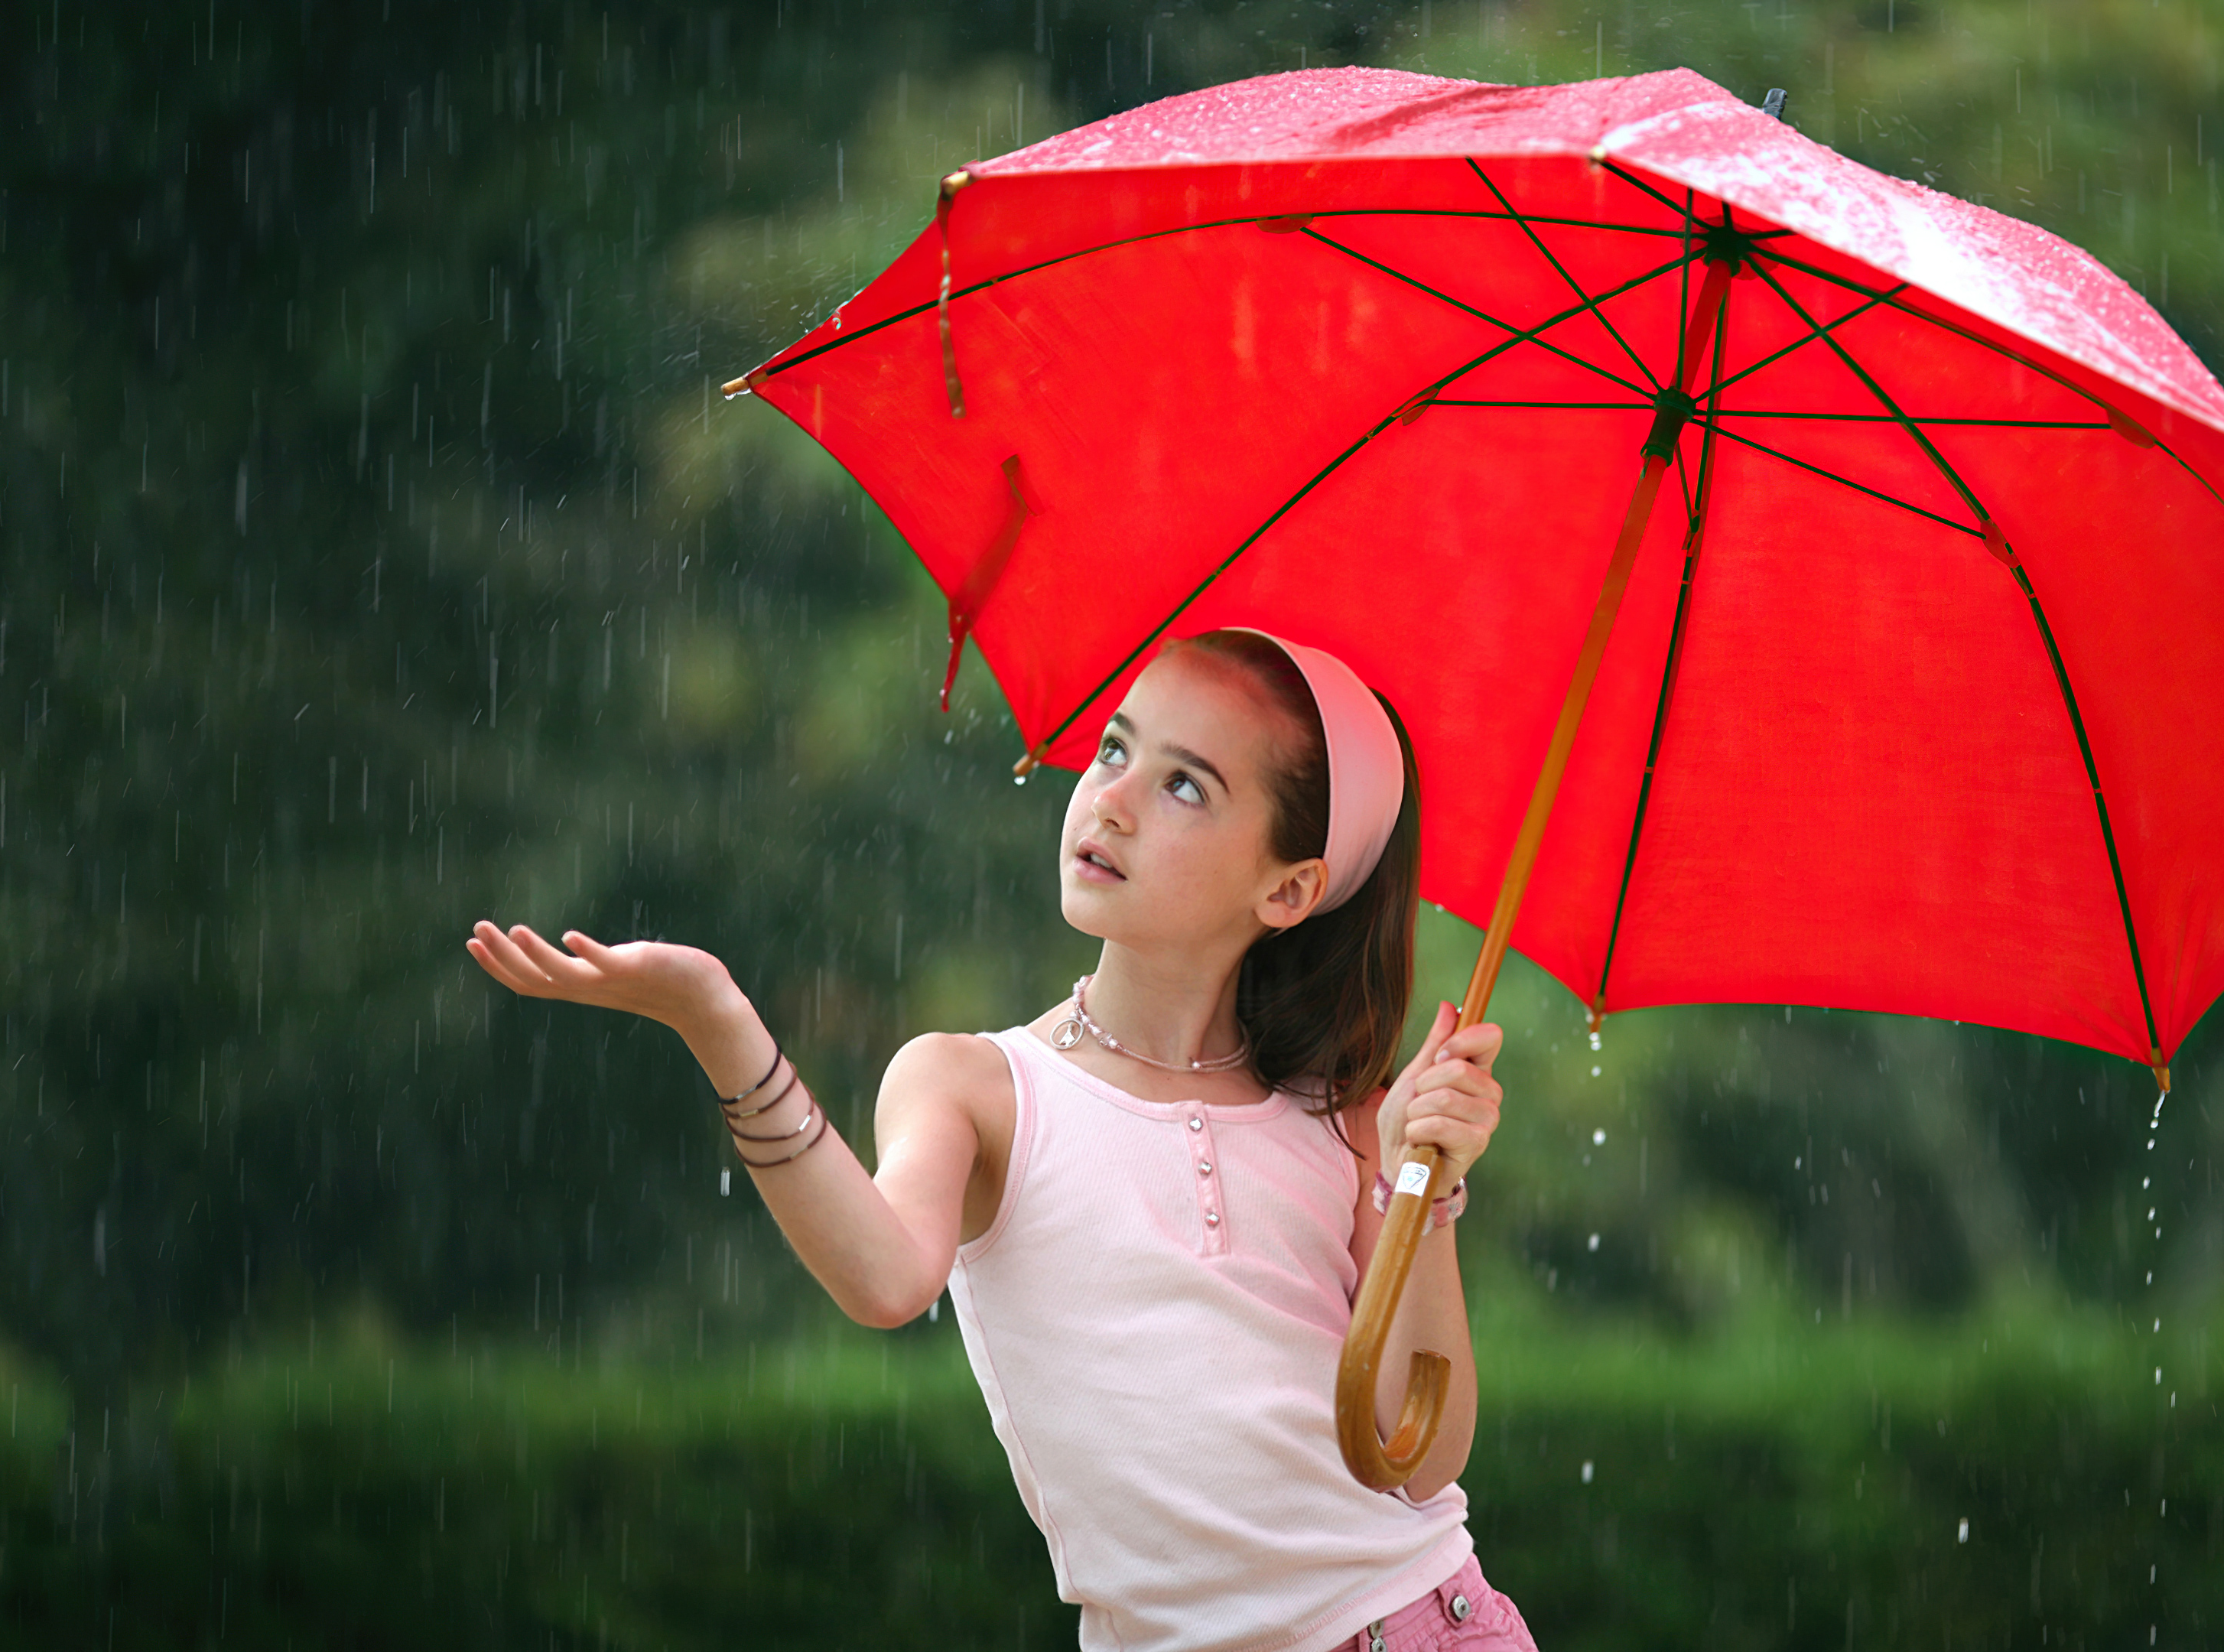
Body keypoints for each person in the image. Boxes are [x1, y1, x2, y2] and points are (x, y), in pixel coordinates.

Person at [465, 628, 1538, 1652]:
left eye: (1183, 785)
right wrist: (718, 1021)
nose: (1110, 800)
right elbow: (885, 1278)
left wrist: (1420, 1187)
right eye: (1117, 747)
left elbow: (1420, 1452)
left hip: (1426, 1620)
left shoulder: (1347, 1116)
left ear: (1290, 887)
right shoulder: (977, 1085)